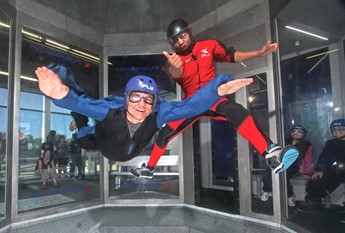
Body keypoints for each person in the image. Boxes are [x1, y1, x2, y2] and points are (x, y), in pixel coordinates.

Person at [131, 19, 299, 178]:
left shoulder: (209, 46)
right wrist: (175, 68)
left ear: (189, 31)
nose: (180, 42)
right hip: (191, 104)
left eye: (182, 36)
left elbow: (231, 55)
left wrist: (260, 53)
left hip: (213, 98)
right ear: (171, 44)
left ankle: (271, 154)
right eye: (175, 41)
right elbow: (176, 73)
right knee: (165, 133)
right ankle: (149, 169)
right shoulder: (173, 61)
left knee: (237, 111)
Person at [34, 63, 253, 163]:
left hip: (128, 151)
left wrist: (217, 89)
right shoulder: (110, 110)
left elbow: (191, 107)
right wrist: (60, 93)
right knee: (81, 133)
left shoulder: (159, 113)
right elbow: (80, 104)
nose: (142, 105)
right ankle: (69, 87)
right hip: (98, 141)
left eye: (148, 99)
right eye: (136, 97)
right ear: (126, 98)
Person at [300, 119, 345, 222]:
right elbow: (325, 158)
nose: (338, 131)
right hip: (339, 169)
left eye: (341, 128)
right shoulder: (331, 143)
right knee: (315, 180)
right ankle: (314, 204)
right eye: (334, 129)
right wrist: (321, 170)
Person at [260, 125, 314, 207]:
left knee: (283, 174)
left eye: (299, 132)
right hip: (283, 163)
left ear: (303, 134)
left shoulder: (307, 145)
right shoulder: (284, 141)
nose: (296, 133)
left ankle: (289, 195)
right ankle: (267, 190)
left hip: (296, 167)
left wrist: (307, 172)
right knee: (268, 172)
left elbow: (308, 159)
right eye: (294, 131)